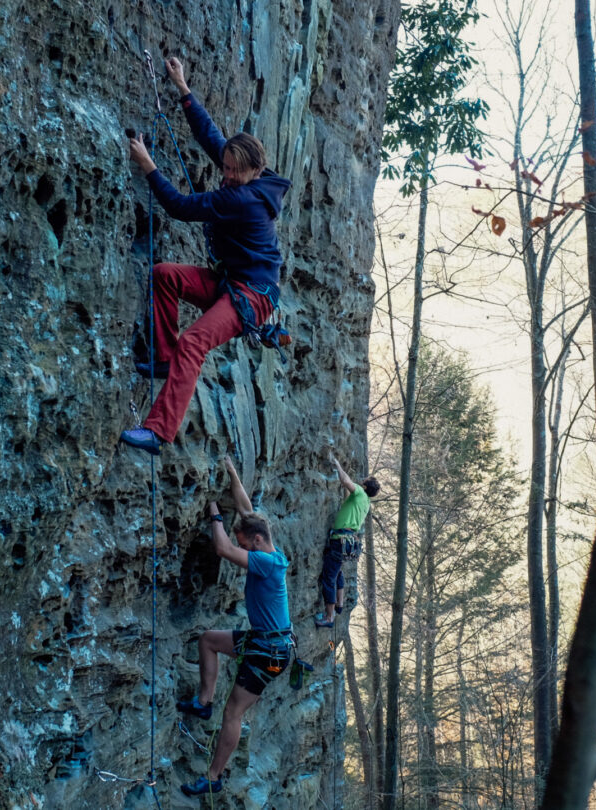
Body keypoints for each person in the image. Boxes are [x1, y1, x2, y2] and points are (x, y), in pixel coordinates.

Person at [120, 57, 291, 455]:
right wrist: (183, 89)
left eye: (232, 171)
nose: (225, 173)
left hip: (252, 297)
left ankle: (159, 432)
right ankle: (163, 359)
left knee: (194, 342)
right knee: (164, 275)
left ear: (253, 170)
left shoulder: (242, 199)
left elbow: (179, 207)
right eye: (225, 168)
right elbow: (214, 140)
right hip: (233, 283)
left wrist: (148, 166)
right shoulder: (255, 176)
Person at [178, 455, 293, 797]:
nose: (243, 548)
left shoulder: (267, 562)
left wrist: (214, 512)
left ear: (256, 542)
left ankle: (213, 777)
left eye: (246, 544)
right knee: (208, 640)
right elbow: (246, 510)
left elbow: (223, 548)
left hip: (269, 652)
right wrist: (231, 473)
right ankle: (204, 701)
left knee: (234, 713)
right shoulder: (267, 543)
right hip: (264, 641)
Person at [315, 453, 381, 628]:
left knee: (329, 577)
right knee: (337, 572)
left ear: (365, 486)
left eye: (364, 481)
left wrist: (337, 464)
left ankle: (329, 617)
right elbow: (348, 496)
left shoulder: (359, 492)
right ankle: (340, 603)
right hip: (348, 542)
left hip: (339, 541)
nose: (361, 481)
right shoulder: (365, 502)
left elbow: (345, 482)